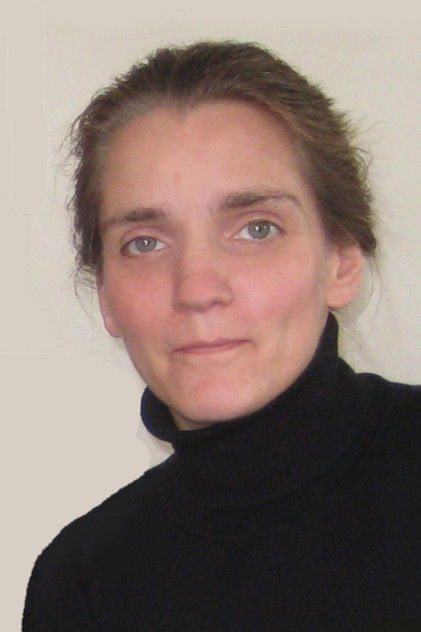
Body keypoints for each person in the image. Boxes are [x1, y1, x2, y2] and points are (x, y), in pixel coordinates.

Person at [22, 41, 420, 631]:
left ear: (340, 261)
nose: (197, 288)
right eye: (145, 243)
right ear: (106, 295)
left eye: (257, 229)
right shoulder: (83, 582)